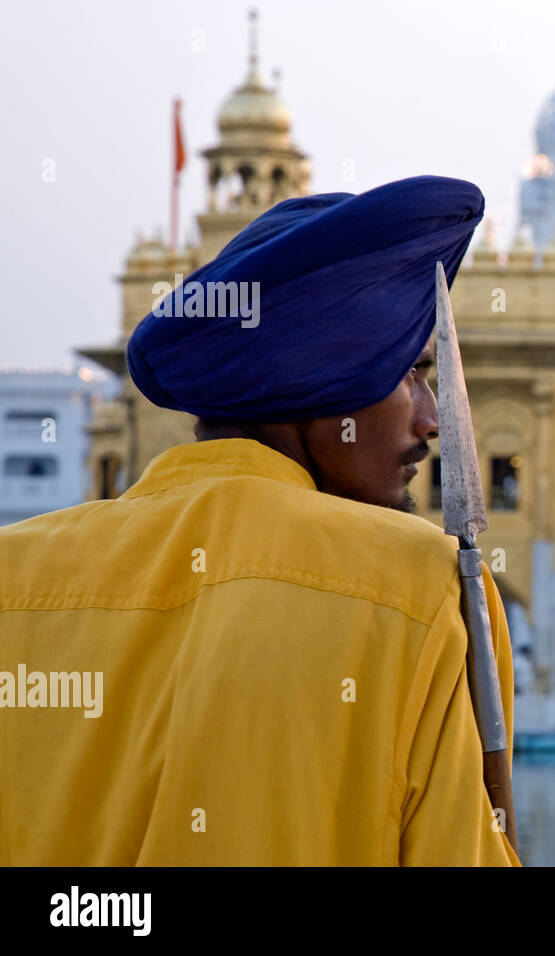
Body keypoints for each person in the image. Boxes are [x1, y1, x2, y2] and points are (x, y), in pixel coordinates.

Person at [0, 176, 519, 866]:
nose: (431, 419)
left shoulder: (16, 574)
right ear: (319, 379)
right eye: (410, 373)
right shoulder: (417, 585)